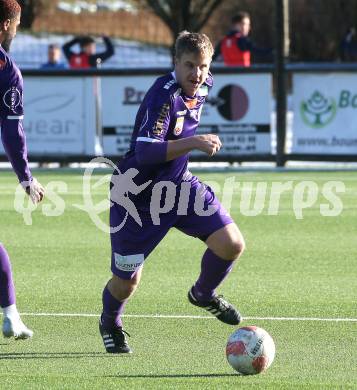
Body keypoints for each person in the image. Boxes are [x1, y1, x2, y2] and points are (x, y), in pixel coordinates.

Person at [99, 31, 246, 354]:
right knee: (126, 282)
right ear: (175, 63)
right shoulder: (163, 95)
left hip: (178, 187)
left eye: (203, 66)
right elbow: (147, 152)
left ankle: (203, 294)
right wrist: (194, 142)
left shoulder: (204, 84)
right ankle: (110, 321)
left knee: (231, 244)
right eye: (190, 65)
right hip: (136, 197)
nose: (197, 74)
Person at [0, 0, 45, 339]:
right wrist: (25, 178)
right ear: (5, 25)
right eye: (16, 24)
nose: (17, 30)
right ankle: (10, 315)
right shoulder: (6, 69)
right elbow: (12, 131)